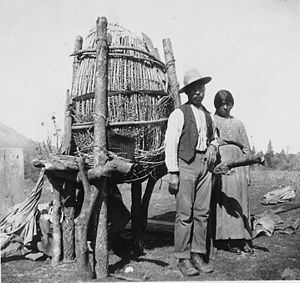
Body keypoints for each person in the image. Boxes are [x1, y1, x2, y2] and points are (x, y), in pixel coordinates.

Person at [164, 69, 218, 276]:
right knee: (184, 214)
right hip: (185, 164)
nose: (198, 91)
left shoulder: (207, 115)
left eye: (201, 87)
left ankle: (197, 254)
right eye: (194, 88)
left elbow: (214, 137)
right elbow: (171, 144)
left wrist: (213, 146)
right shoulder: (179, 113)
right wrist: (174, 172)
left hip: (205, 165)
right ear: (187, 92)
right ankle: (183, 258)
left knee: (202, 213)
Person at [211, 89, 254, 254]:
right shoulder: (212, 120)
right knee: (225, 201)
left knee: (240, 200)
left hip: (239, 166)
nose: (225, 107)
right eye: (222, 104)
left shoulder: (238, 123)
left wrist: (248, 172)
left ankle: (243, 237)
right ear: (217, 105)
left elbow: (246, 149)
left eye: (228, 104)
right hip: (222, 164)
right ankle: (227, 239)